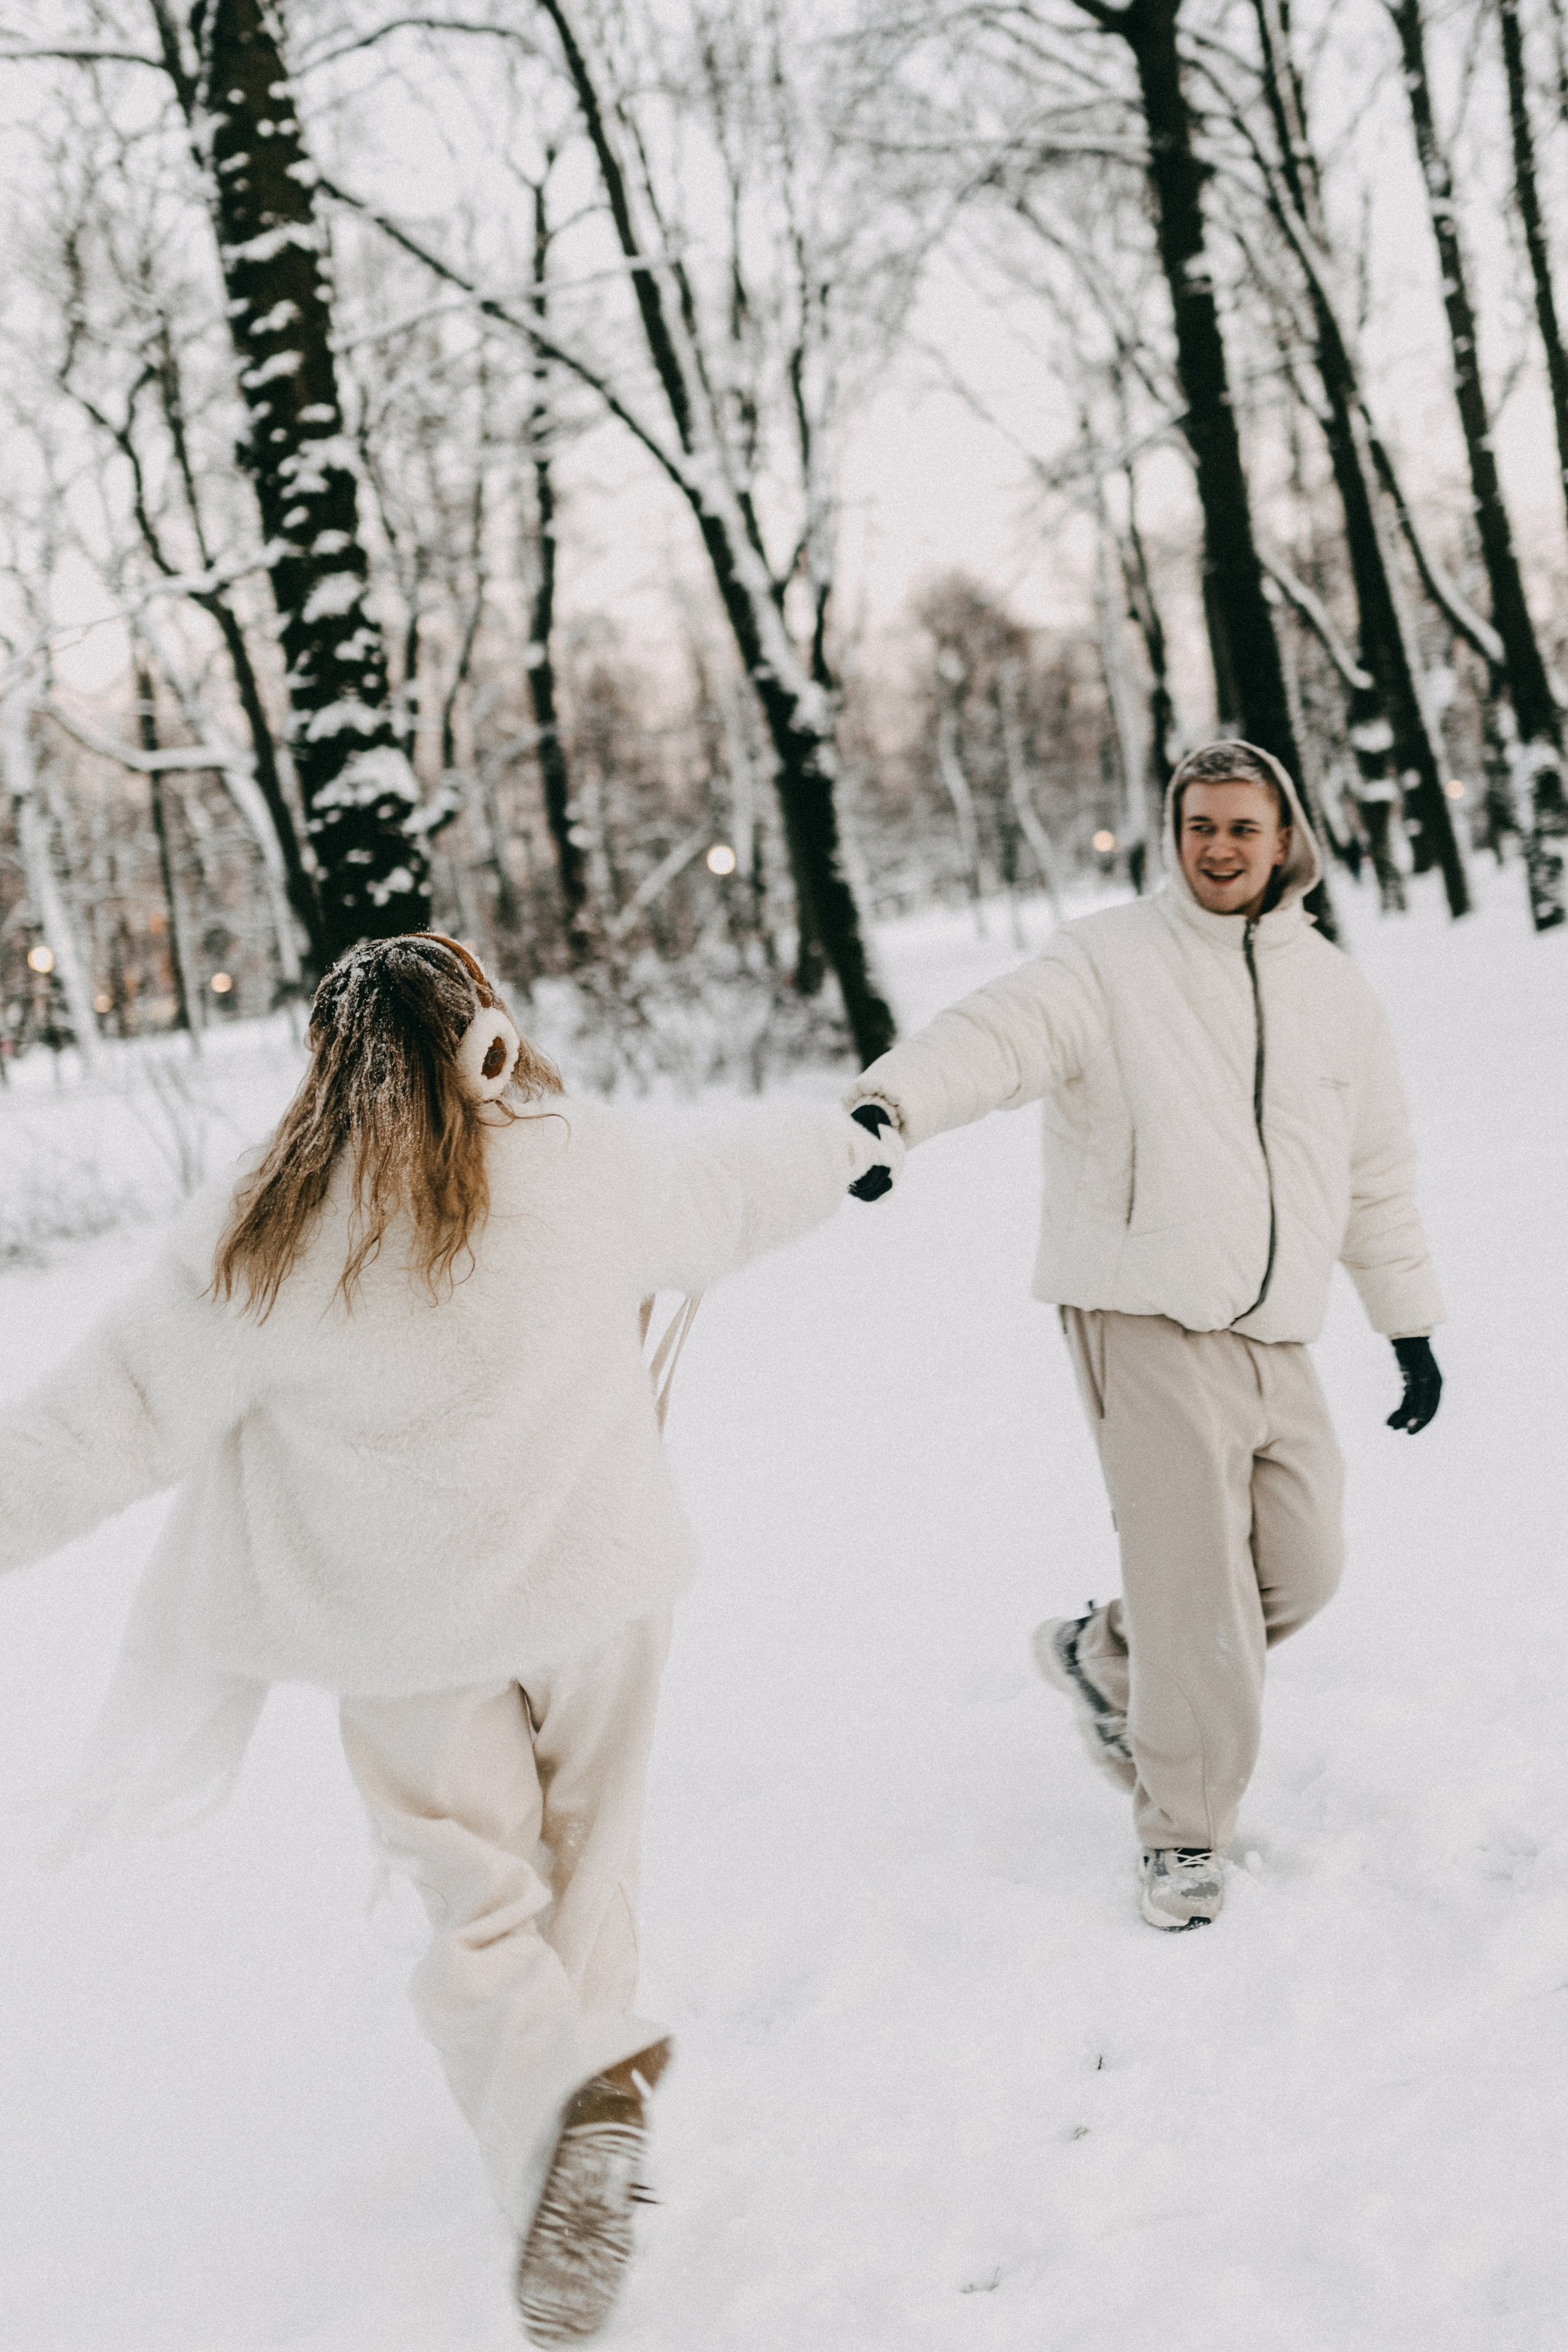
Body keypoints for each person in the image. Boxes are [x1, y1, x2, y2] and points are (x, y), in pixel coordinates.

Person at [0, 933, 900, 2343]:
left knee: (480, 1904)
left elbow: (101, 1416)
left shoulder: (266, 1226)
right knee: (590, 1870)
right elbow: (728, 1189)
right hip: (604, 1593)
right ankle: (595, 2115)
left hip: (411, 1640)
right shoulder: (574, 1157)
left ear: (322, 1066)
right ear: (483, 1022)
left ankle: (564, 2117)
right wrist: (844, 1145)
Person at [845, 742, 1444, 1932]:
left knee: (1300, 1564)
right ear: (1172, 836)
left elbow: (1372, 1174)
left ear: (1286, 840)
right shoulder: (1108, 961)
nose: (1216, 847)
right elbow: (996, 1036)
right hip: (1140, 1310)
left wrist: (1407, 1323)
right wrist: (891, 1107)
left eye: (1239, 827)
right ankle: (1181, 1835)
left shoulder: (1331, 989)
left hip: (1273, 1331)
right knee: (1200, 1593)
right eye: (1197, 826)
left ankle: (1102, 1656)